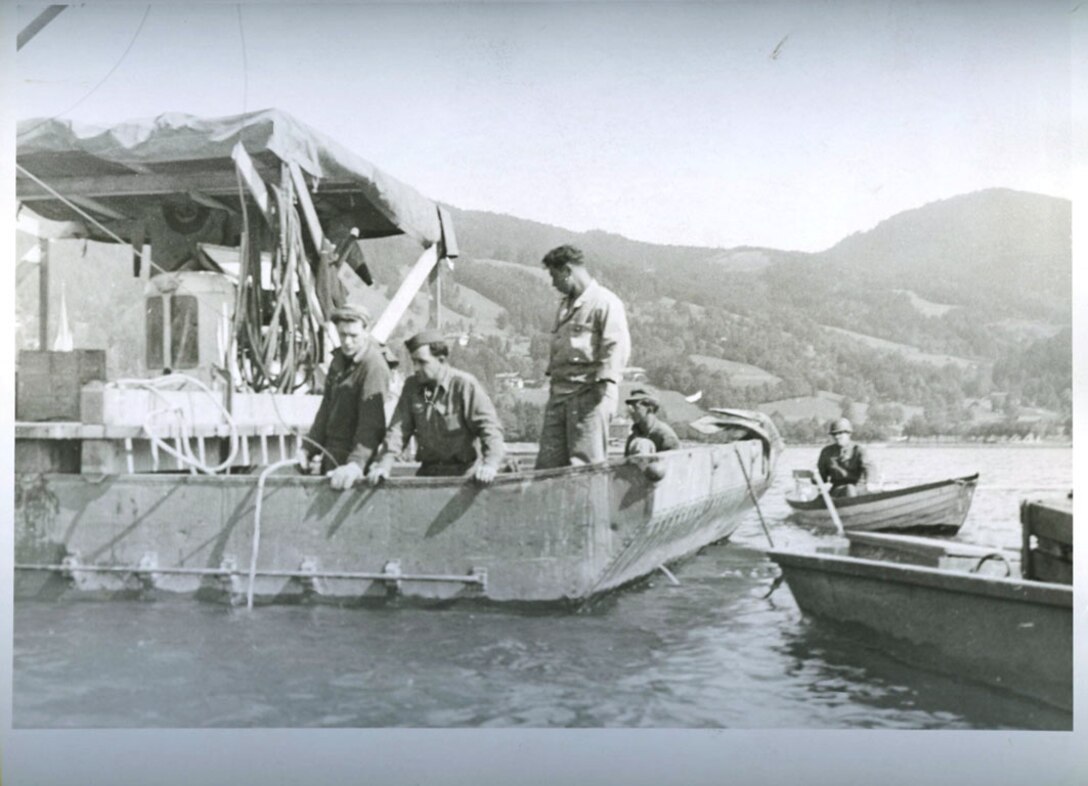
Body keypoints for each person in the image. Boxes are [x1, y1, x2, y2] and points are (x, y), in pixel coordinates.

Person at [367, 329, 505, 484]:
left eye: (422, 362)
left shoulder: (464, 385)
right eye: (414, 362)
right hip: (428, 474)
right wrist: (384, 465)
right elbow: (398, 431)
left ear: (441, 360)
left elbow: (490, 429)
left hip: (465, 477)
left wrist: (490, 465)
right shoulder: (412, 387)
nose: (416, 368)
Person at [535, 245, 631, 469]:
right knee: (548, 466)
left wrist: (600, 389)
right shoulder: (566, 306)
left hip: (589, 395)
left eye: (554, 275)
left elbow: (617, 347)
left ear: (567, 270)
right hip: (560, 395)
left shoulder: (605, 302)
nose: (553, 283)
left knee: (585, 466)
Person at [302, 304, 390, 489]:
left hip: (357, 464)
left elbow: (372, 424)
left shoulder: (373, 366)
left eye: (354, 336)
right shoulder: (338, 362)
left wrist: (355, 464)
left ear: (366, 331)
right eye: (343, 335)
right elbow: (325, 411)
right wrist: (307, 449)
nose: (347, 342)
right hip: (332, 457)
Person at [816, 417, 877, 497]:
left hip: (859, 489)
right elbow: (822, 477)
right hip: (837, 490)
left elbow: (869, 467)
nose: (837, 436)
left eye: (840, 433)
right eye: (834, 434)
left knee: (850, 488)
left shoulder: (858, 450)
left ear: (849, 434)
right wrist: (814, 482)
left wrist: (871, 482)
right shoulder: (826, 452)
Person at [624, 389, 680, 456]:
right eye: (630, 407)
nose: (631, 412)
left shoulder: (666, 436)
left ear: (650, 408)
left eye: (635, 407)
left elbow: (674, 463)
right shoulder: (633, 437)